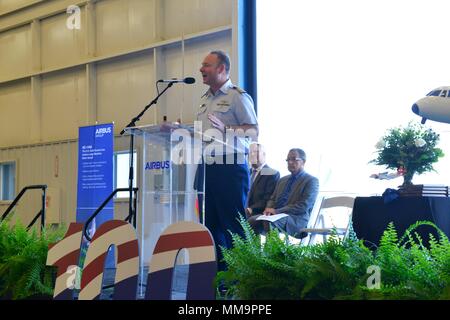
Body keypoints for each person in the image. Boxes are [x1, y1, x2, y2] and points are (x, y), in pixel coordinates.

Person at [197, 50, 258, 271]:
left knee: (233, 225)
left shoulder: (237, 96)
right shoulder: (205, 100)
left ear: (221, 68)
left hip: (230, 167)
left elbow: (253, 131)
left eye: (206, 65)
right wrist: (177, 129)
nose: (201, 69)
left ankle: (244, 278)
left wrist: (227, 129)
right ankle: (222, 278)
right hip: (208, 167)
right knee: (211, 225)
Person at [247, 148, 319, 238]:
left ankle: (273, 251)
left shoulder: (311, 181)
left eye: (293, 159)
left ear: (303, 162)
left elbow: (303, 205)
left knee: (269, 222)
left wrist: (277, 211)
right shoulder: (282, 180)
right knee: (252, 221)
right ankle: (253, 251)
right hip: (275, 215)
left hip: (295, 218)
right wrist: (268, 209)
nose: (290, 162)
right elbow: (272, 199)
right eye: (288, 159)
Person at [245, 143, 280, 218]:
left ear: (264, 155)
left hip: (257, 213)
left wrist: (251, 209)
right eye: (250, 152)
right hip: (241, 209)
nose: (252, 154)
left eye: (256, 152)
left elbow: (268, 199)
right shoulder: (246, 172)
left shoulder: (272, 173)